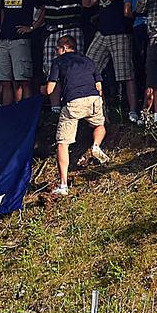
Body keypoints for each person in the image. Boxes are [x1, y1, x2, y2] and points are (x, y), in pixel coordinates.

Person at [46, 36, 109, 195]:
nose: (56, 51)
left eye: (57, 48)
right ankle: (96, 146)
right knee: (99, 125)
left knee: (62, 143)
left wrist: (41, 91)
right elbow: (99, 86)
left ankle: (63, 185)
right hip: (93, 99)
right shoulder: (88, 60)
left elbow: (49, 89)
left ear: (65, 48)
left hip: (73, 102)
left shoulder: (58, 62)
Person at [82, 0, 137, 120]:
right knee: (88, 68)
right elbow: (87, 3)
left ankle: (133, 110)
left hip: (120, 33)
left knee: (126, 74)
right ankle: (100, 109)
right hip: (102, 33)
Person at [0, 0, 44, 106]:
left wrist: (32, 27)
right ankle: (7, 112)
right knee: (4, 79)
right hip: (3, 40)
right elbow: (3, 9)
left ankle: (26, 111)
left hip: (20, 41)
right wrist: (1, 29)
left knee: (23, 79)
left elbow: (43, 8)